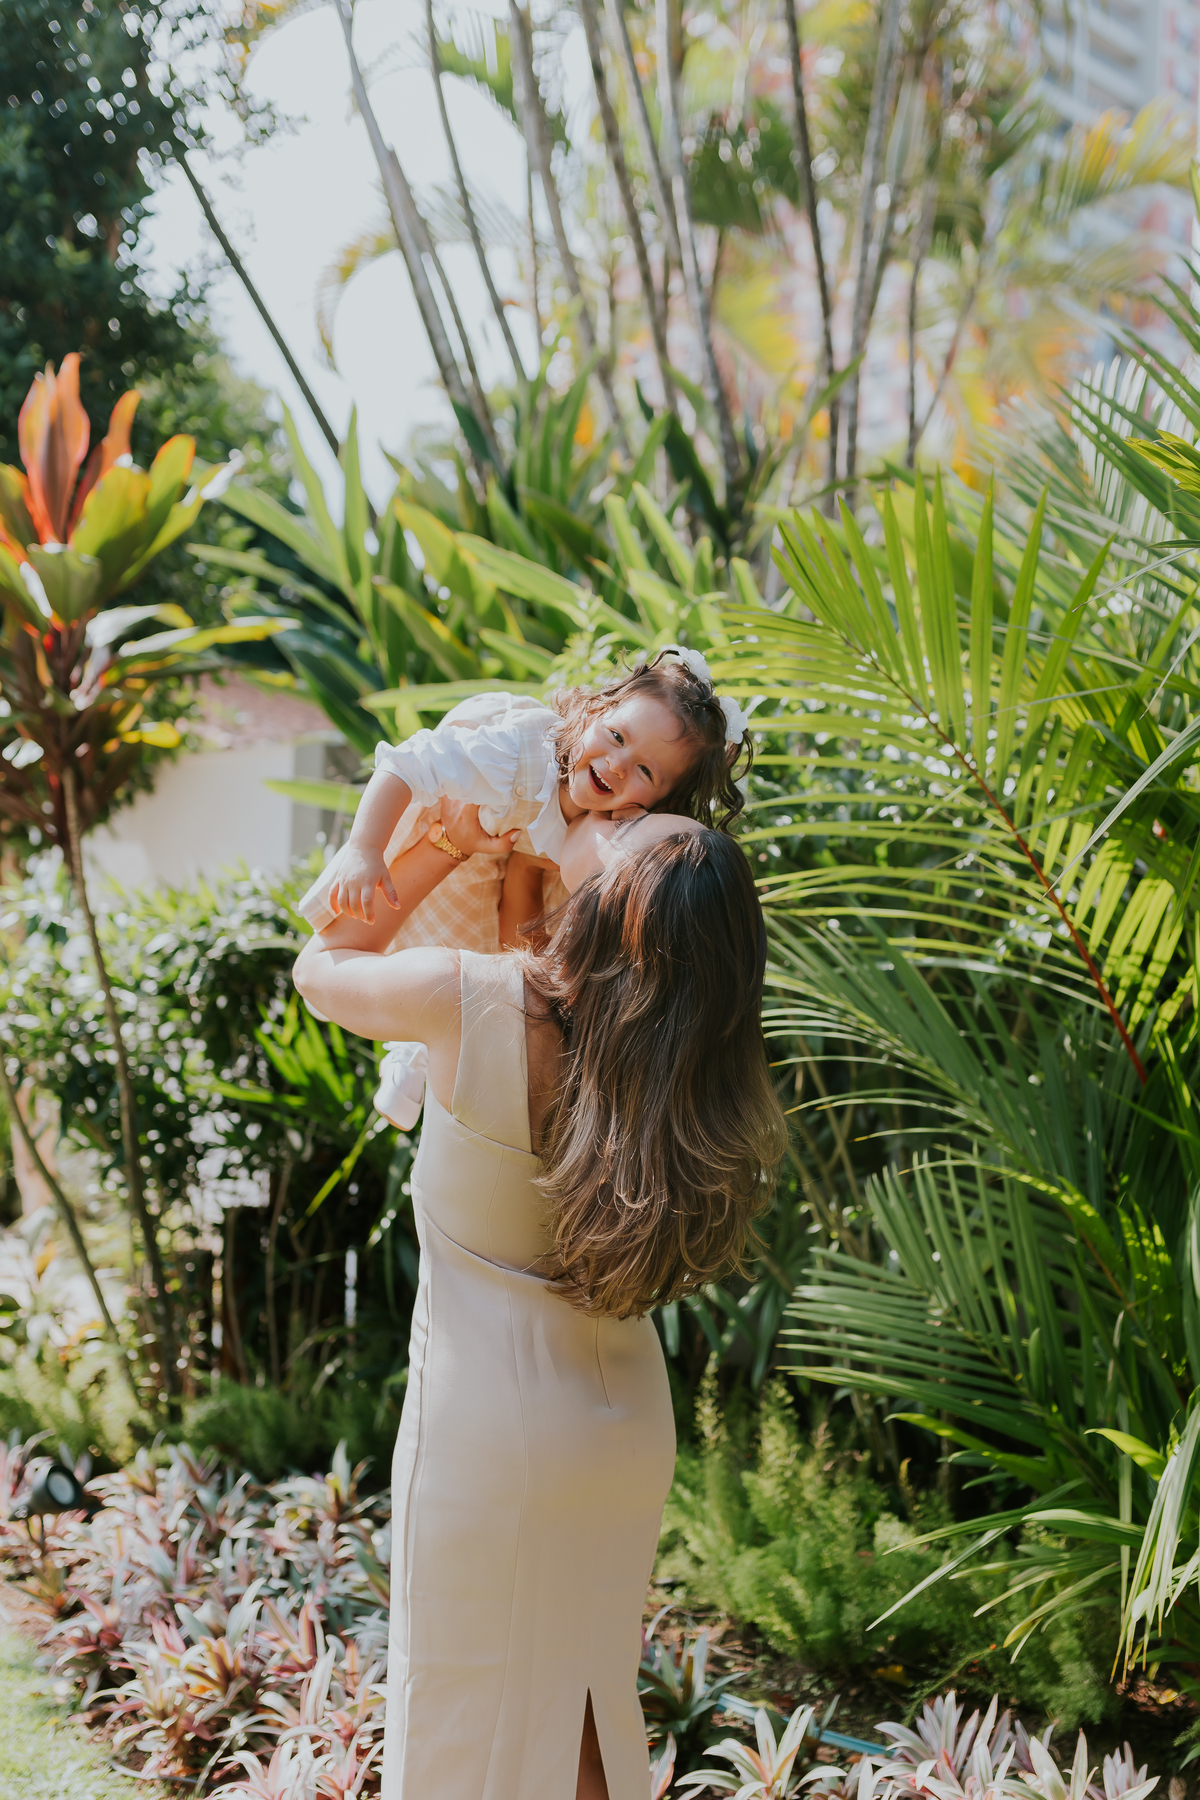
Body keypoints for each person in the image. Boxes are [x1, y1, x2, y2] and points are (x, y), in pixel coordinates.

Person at [293, 813, 788, 1800]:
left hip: (490, 1428)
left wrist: (441, 839)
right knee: (586, 1714)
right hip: (621, 1426)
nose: (599, 817)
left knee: (465, 1718)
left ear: (618, 906)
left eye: (624, 828)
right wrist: (523, 873)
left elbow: (322, 966)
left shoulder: (469, 996)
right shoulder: (680, 1070)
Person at [296, 645, 758, 1130]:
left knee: (481, 959)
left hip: (501, 873)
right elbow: (412, 762)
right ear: (594, 712)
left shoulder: (608, 839)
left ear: (659, 803)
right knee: (427, 939)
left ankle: (414, 1053)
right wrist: (365, 847)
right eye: (617, 735)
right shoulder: (521, 755)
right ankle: (406, 1044)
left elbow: (519, 954)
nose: (619, 764)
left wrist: (524, 867)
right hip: (466, 833)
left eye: (646, 771)